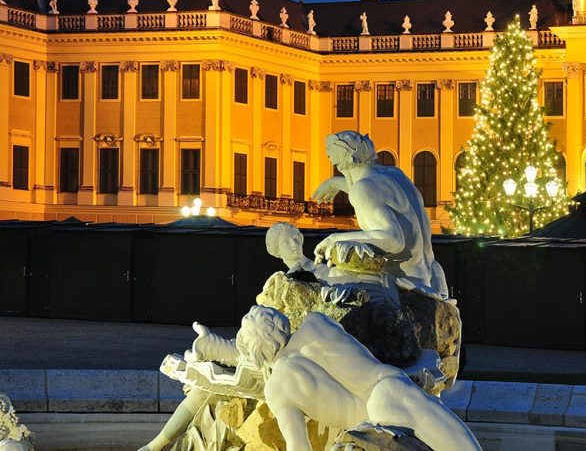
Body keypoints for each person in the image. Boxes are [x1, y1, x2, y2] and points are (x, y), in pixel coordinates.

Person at [144, 306, 481, 451]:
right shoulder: (318, 324)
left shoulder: (280, 387)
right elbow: (279, 351)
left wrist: (213, 347)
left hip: (370, 422)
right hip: (390, 386)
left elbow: (298, 448)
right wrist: (216, 346)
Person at [312, 131, 448, 300]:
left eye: (329, 156)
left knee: (333, 282)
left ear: (337, 161)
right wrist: (336, 183)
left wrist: (334, 239)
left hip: (403, 288)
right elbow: (373, 194)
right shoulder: (394, 175)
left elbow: (394, 240)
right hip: (430, 278)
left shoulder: (363, 189)